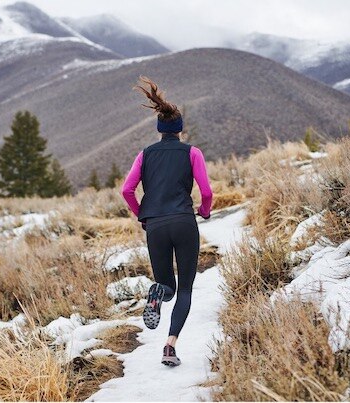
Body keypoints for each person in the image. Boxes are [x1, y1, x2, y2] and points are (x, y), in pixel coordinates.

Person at [121, 76, 213, 367]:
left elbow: (127, 190)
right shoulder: (192, 152)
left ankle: (157, 293)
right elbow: (207, 191)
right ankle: (170, 347)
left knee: (167, 286)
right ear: (180, 129)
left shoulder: (145, 155)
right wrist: (205, 210)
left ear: (160, 129)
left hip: (156, 226)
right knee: (185, 289)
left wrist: (142, 215)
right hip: (185, 222)